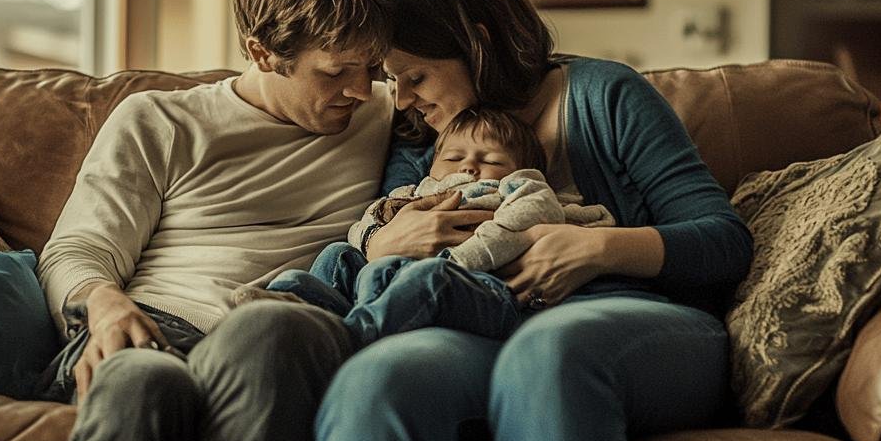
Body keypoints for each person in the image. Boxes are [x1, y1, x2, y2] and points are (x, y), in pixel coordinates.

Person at [303, 0, 755, 441]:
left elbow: (724, 241)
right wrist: (380, 242)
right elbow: (385, 228)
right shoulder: (424, 133)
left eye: (417, 76)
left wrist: (600, 248)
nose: (400, 99)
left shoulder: (607, 96)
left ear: (478, 43)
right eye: (392, 78)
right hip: (486, 328)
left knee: (548, 352)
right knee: (377, 376)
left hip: (640, 327)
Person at [35, 0, 394, 441]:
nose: (361, 91)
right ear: (262, 52)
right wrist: (105, 303)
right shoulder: (161, 121)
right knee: (142, 385)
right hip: (154, 331)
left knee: (273, 326)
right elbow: (77, 249)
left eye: (372, 67)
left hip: (277, 338)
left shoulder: (388, 116)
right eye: (335, 72)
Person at [239, 107, 613, 348]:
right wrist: (375, 237)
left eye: (491, 160)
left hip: (483, 289)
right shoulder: (414, 194)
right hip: (391, 279)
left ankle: (348, 338)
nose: (468, 167)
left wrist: (460, 258)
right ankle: (295, 302)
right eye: (454, 157)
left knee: (429, 277)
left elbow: (535, 212)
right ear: (433, 165)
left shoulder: (518, 188)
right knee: (337, 255)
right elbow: (365, 227)